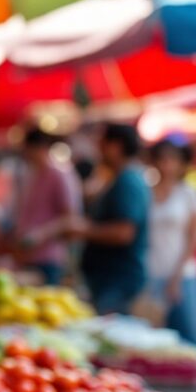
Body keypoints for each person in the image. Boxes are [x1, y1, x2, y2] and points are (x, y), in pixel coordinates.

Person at [69, 123, 150, 315]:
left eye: (102, 144)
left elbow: (124, 233)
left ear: (116, 146)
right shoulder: (120, 178)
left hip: (118, 278)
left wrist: (82, 230)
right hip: (111, 278)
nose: (99, 149)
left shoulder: (128, 181)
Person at [142, 140, 196, 347]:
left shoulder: (190, 194)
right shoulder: (146, 193)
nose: (166, 164)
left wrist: (177, 276)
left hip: (183, 275)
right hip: (152, 274)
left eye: (171, 159)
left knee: (192, 336)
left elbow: (195, 237)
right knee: (154, 341)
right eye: (162, 159)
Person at [9, 128, 81, 285]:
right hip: (26, 257)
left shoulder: (59, 174)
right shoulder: (32, 175)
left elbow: (70, 217)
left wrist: (40, 235)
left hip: (48, 258)